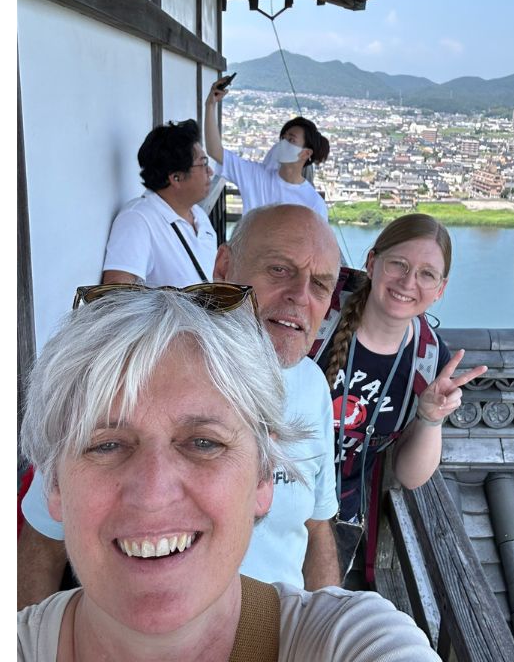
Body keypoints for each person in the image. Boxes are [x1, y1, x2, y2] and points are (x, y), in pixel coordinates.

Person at [17, 286, 440, 661]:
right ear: (53, 484)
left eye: (204, 442)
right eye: (106, 445)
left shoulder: (350, 641)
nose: (153, 493)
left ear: (263, 475)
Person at [19, 204, 344, 607]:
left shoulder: (313, 386)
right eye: (279, 270)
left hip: (275, 629)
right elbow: (44, 540)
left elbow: (316, 526)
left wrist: (328, 618)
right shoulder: (139, 369)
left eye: (320, 285)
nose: (300, 296)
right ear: (223, 267)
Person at [308, 214, 488, 579]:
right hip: (270, 493)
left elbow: (410, 475)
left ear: (440, 289)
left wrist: (431, 418)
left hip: (337, 519)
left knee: (313, 612)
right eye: (399, 265)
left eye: (426, 274)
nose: (408, 282)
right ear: (372, 262)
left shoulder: (429, 360)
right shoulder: (318, 312)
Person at [101, 118, 218, 285]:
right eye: (203, 163)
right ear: (176, 177)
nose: (210, 171)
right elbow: (117, 294)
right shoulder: (138, 220)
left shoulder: (198, 215)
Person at [204, 78, 329, 219]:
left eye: (291, 140)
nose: (283, 143)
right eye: (283, 138)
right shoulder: (256, 176)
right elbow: (214, 151)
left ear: (306, 153)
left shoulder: (313, 203)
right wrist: (210, 104)